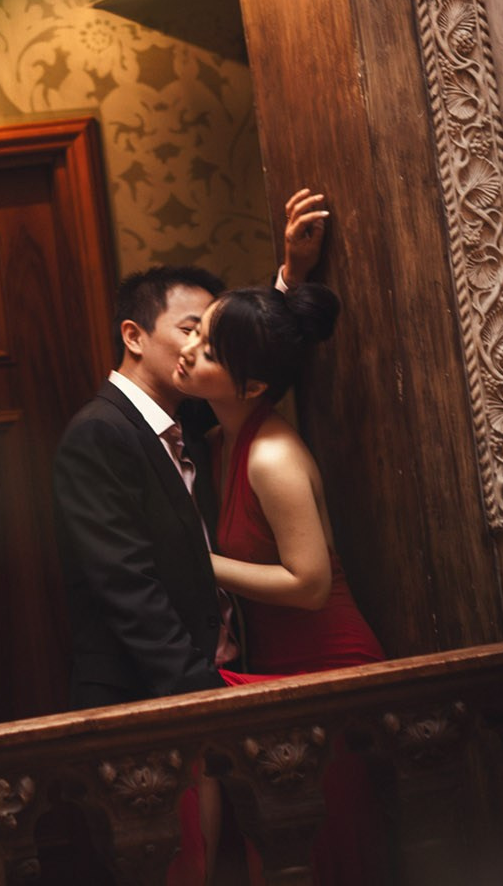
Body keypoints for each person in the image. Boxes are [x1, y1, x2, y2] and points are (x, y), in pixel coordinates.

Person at [52, 190, 328, 710]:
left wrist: (291, 279)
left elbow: (249, 365)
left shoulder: (194, 418)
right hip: (158, 694)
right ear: (133, 337)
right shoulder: (99, 433)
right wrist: (203, 700)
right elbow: (128, 589)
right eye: (190, 330)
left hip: (228, 674)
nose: (199, 347)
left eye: (209, 334)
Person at [173, 282, 386, 886]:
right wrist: (288, 276)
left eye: (210, 350)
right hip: (276, 665)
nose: (190, 349)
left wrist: (193, 560)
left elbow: (311, 583)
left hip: (327, 665)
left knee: (319, 857)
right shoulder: (218, 441)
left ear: (254, 387)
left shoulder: (272, 454)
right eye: (195, 331)